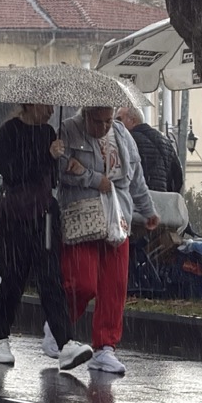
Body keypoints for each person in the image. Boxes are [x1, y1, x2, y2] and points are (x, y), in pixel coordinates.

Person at [0, 104, 94, 370]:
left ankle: (65, 341)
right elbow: (12, 172)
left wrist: (60, 160)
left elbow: (49, 179)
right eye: (45, 106)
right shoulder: (8, 133)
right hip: (14, 218)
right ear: (30, 104)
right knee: (13, 279)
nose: (49, 111)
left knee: (50, 279)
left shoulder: (48, 132)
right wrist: (44, 155)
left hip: (43, 216)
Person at [55, 106, 159, 374]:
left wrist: (147, 210)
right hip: (83, 216)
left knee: (115, 285)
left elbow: (136, 179)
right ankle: (58, 325)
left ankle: (105, 347)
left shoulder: (123, 134)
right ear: (86, 114)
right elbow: (61, 171)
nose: (104, 127)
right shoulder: (68, 129)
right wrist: (93, 179)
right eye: (98, 121)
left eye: (109, 120)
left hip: (117, 216)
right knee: (82, 281)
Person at [116, 107, 184, 193]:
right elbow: (178, 176)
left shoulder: (128, 141)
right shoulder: (165, 140)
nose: (116, 124)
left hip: (140, 199)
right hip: (163, 199)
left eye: (119, 119)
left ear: (133, 121)